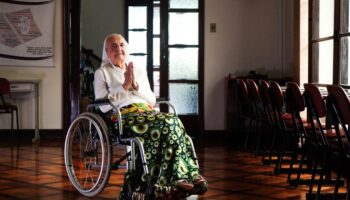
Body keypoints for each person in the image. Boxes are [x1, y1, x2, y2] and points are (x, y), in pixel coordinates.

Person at [94, 33, 207, 199]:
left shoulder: (137, 69)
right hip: (122, 115)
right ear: (106, 52)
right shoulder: (102, 73)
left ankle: (182, 176)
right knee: (161, 124)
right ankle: (162, 182)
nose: (119, 48)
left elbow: (152, 99)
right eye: (113, 46)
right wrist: (124, 86)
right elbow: (103, 106)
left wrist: (136, 86)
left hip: (146, 111)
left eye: (121, 45)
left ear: (127, 48)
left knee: (172, 121)